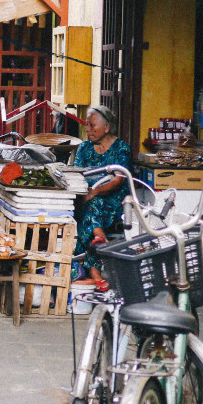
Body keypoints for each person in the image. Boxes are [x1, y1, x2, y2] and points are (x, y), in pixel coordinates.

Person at [72, 105, 131, 291]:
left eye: (92, 125)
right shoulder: (84, 148)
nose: (87, 129)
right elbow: (76, 174)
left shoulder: (121, 148)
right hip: (86, 197)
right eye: (86, 125)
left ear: (106, 127)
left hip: (113, 200)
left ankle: (92, 270)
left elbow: (119, 180)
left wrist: (96, 191)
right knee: (85, 207)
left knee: (90, 206)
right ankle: (97, 240)